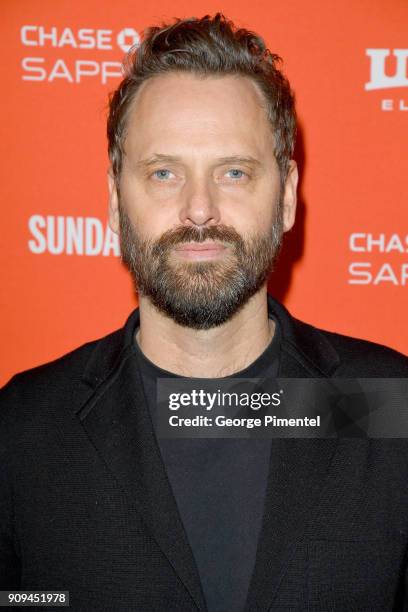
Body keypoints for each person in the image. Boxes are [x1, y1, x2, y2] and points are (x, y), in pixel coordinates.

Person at [1, 13, 408, 612]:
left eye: (234, 172)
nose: (199, 209)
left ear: (288, 195)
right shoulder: (23, 430)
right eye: (163, 173)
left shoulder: (388, 407)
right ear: (115, 202)